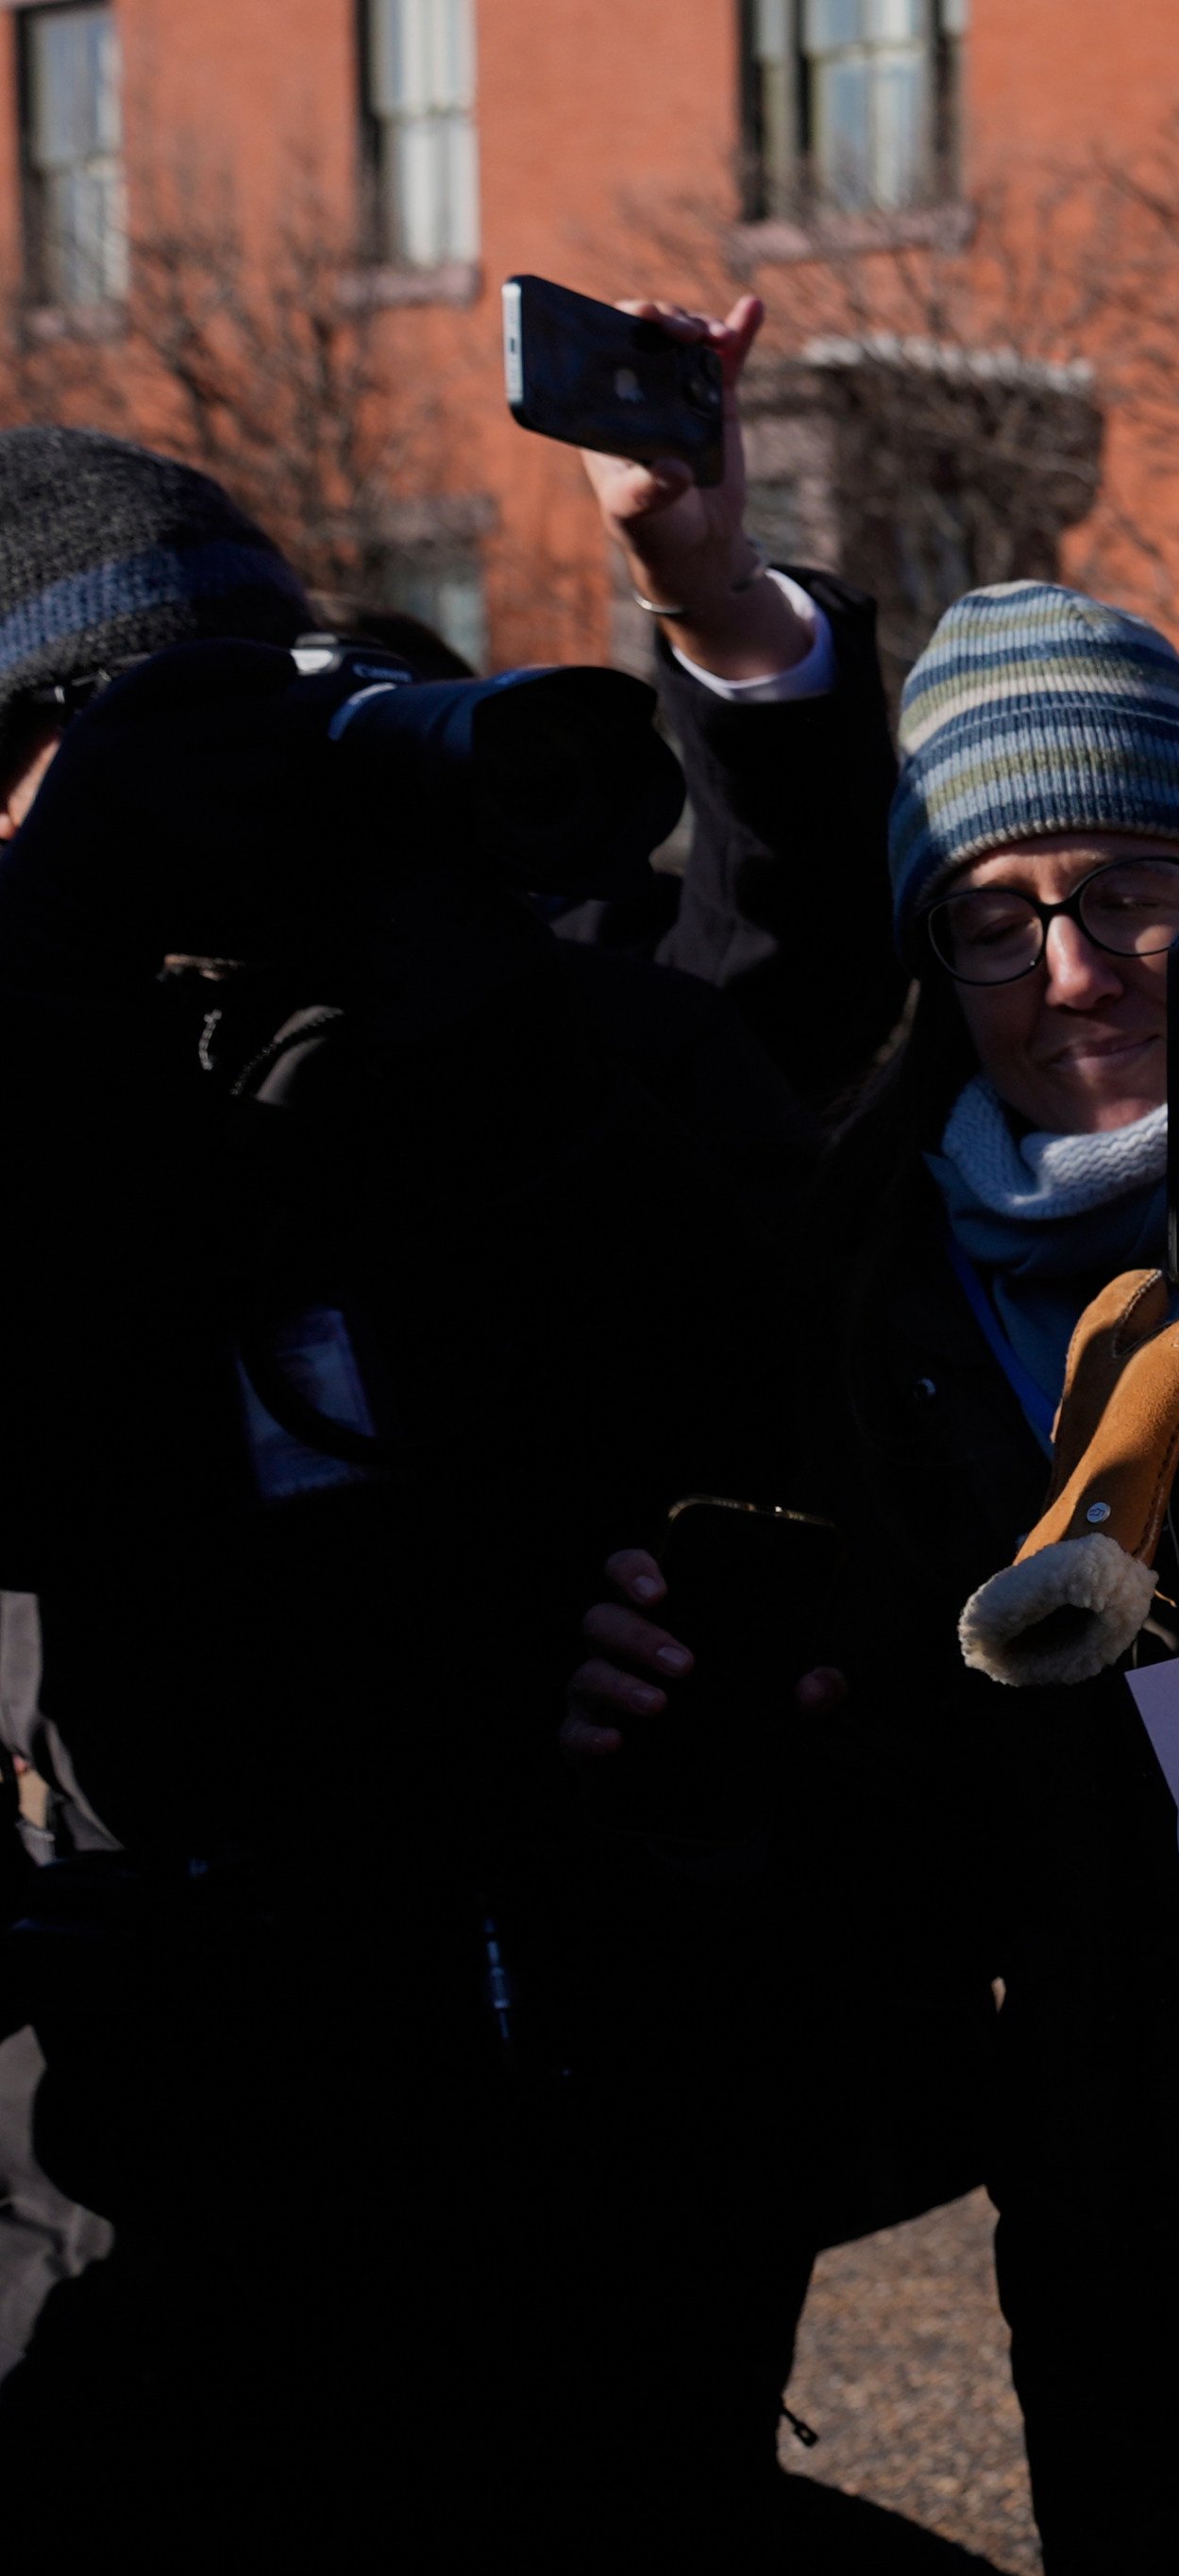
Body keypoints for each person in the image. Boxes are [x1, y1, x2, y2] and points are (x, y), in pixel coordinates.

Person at [552, 306, 1179, 2570]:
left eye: (1132, 889)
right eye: (995, 917)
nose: (1073, 968)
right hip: (1097, 2132)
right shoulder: (854, 1260)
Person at [0, 429, 863, 2569]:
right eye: (124, 743)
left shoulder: (504, 1045)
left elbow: (770, 1365)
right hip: (120, 2196)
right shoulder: (43, 1078)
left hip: (576, 2173)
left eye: (246, 714)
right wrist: (50, 971)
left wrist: (695, 1655)